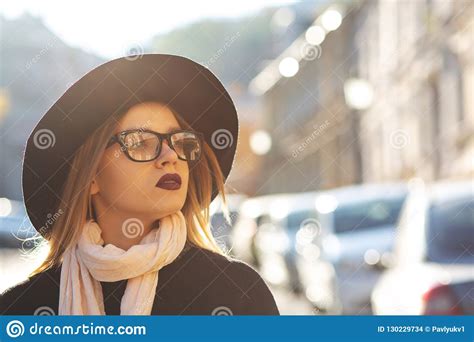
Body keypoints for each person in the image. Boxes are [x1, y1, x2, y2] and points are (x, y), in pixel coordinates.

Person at [0, 55, 280, 316]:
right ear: (91, 178)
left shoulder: (237, 294)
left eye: (180, 141)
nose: (171, 157)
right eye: (140, 143)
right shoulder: (22, 308)